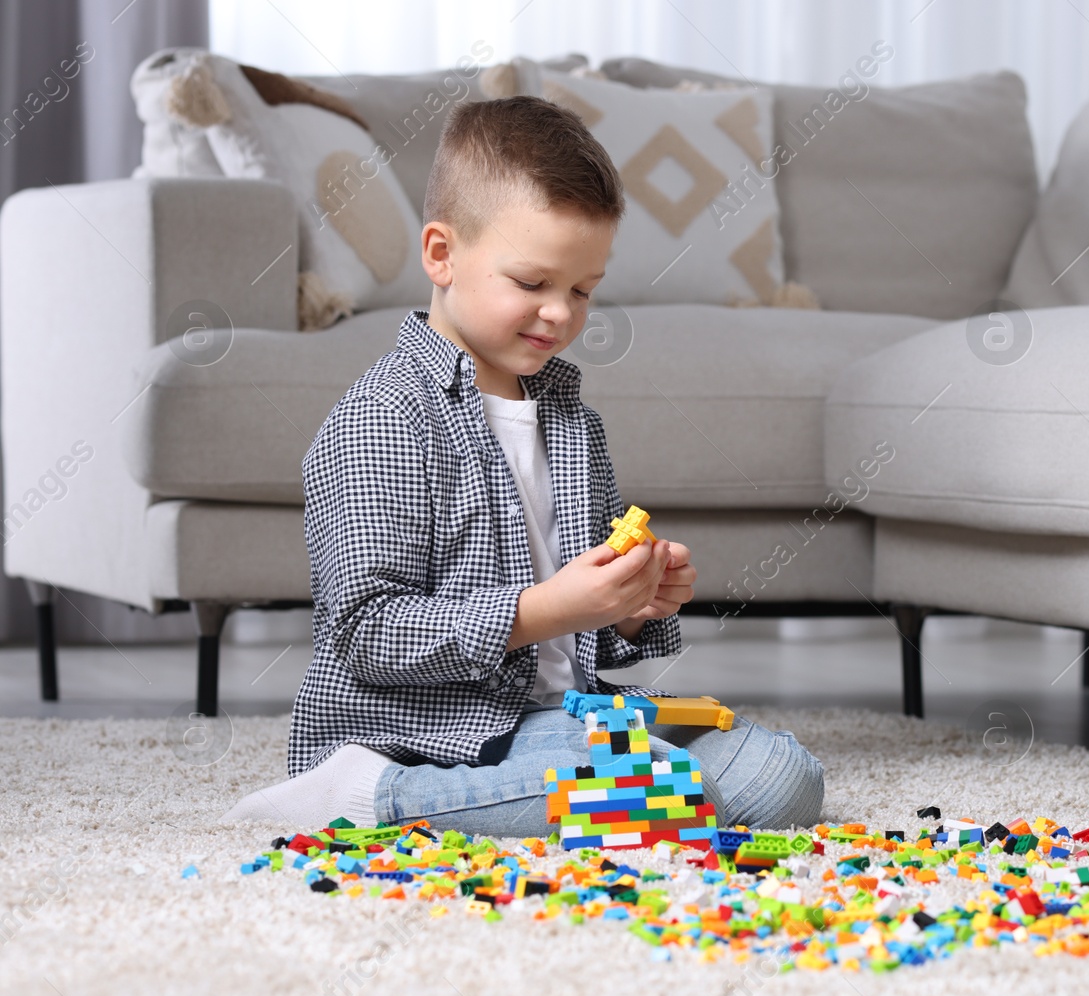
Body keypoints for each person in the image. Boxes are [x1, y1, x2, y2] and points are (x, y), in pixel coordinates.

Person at [224, 97, 824, 835]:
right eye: (532, 284)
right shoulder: (384, 418)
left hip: (559, 714)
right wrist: (549, 607)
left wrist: (631, 608)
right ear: (442, 254)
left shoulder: (572, 421)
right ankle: (363, 793)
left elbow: (580, 636)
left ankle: (621, 796)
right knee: (665, 792)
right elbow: (368, 632)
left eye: (582, 290)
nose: (561, 315)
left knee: (782, 777)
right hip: (433, 731)